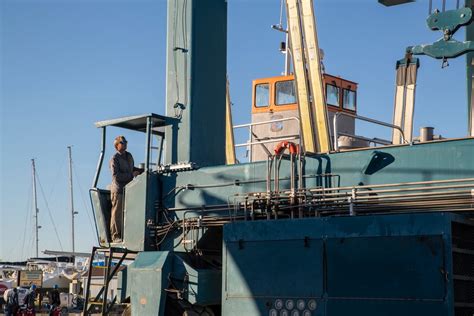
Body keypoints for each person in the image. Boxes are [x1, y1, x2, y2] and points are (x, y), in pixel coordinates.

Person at [110, 136, 142, 242]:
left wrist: (142, 171)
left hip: (129, 190)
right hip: (118, 190)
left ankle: (126, 235)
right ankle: (115, 236)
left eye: (126, 142)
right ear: (117, 145)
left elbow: (132, 168)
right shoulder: (114, 159)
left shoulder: (129, 156)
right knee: (117, 213)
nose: (125, 144)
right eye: (122, 142)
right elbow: (116, 176)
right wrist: (132, 175)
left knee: (127, 213)